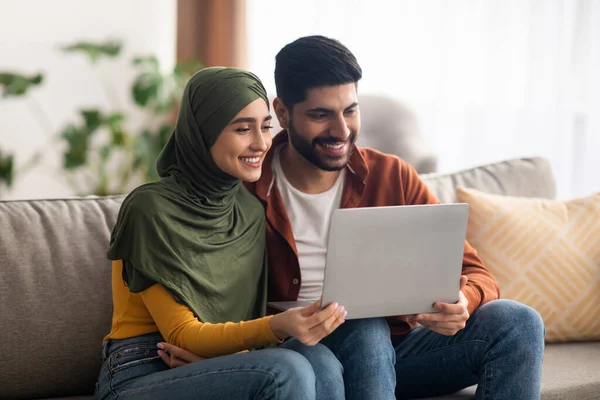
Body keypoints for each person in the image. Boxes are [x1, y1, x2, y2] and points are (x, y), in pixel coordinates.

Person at [159, 37, 546, 399]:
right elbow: (198, 300)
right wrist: (231, 359)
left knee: (518, 322)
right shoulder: (241, 186)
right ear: (282, 112)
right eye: (321, 115)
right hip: (300, 352)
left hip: (397, 352)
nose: (341, 130)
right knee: (361, 324)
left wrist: (463, 300)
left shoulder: (392, 176)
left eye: (350, 110)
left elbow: (478, 273)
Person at [93, 66, 347, 400]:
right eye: (243, 128)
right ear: (204, 131)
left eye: (266, 127)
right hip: (140, 370)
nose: (261, 143)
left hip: (215, 362)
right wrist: (278, 325)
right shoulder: (149, 209)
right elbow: (181, 334)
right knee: (287, 369)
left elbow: (237, 331)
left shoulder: (250, 212)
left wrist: (232, 360)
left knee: (321, 360)